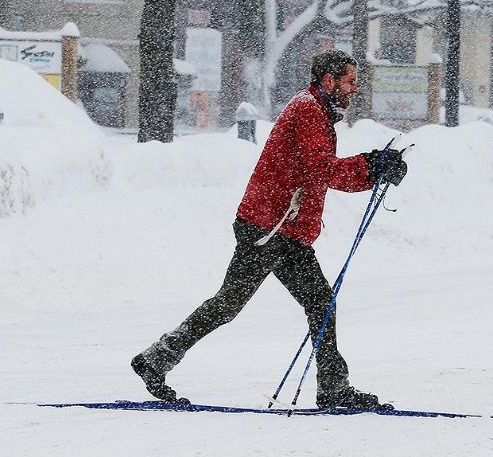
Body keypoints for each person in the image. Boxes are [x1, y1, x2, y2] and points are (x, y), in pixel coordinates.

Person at [131, 50, 408, 409]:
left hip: (278, 228)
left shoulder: (315, 110)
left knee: (284, 303)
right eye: (350, 81)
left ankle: (157, 358)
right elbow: (320, 170)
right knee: (267, 303)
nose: (355, 89)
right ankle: (156, 359)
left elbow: (314, 171)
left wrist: (371, 168)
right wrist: (372, 169)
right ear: (329, 80)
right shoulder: (308, 110)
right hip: (269, 229)